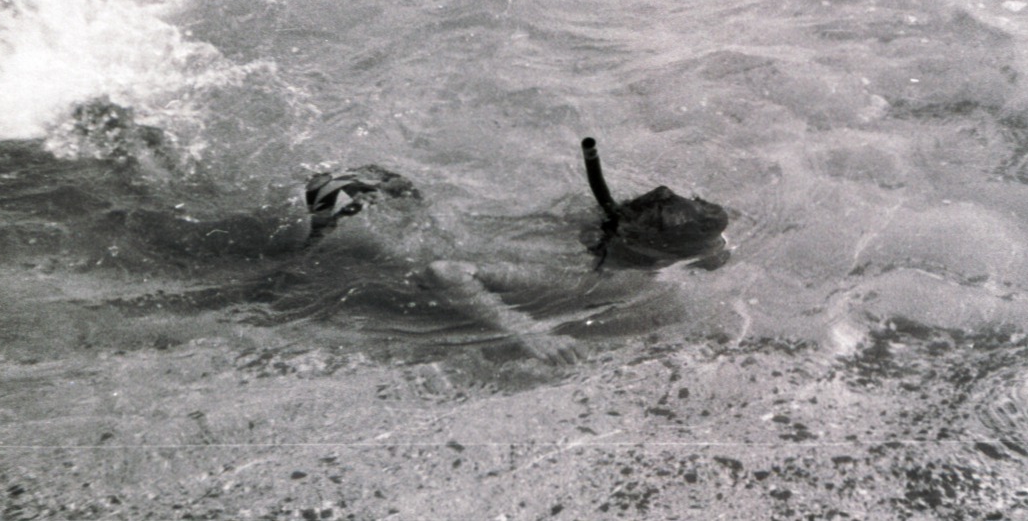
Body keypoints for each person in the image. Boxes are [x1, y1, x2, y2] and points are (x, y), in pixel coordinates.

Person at [299, 138, 730, 363]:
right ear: (643, 247)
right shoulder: (580, 275)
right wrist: (524, 330)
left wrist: (701, 251)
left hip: (387, 190)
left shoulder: (595, 222)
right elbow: (445, 271)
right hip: (356, 215)